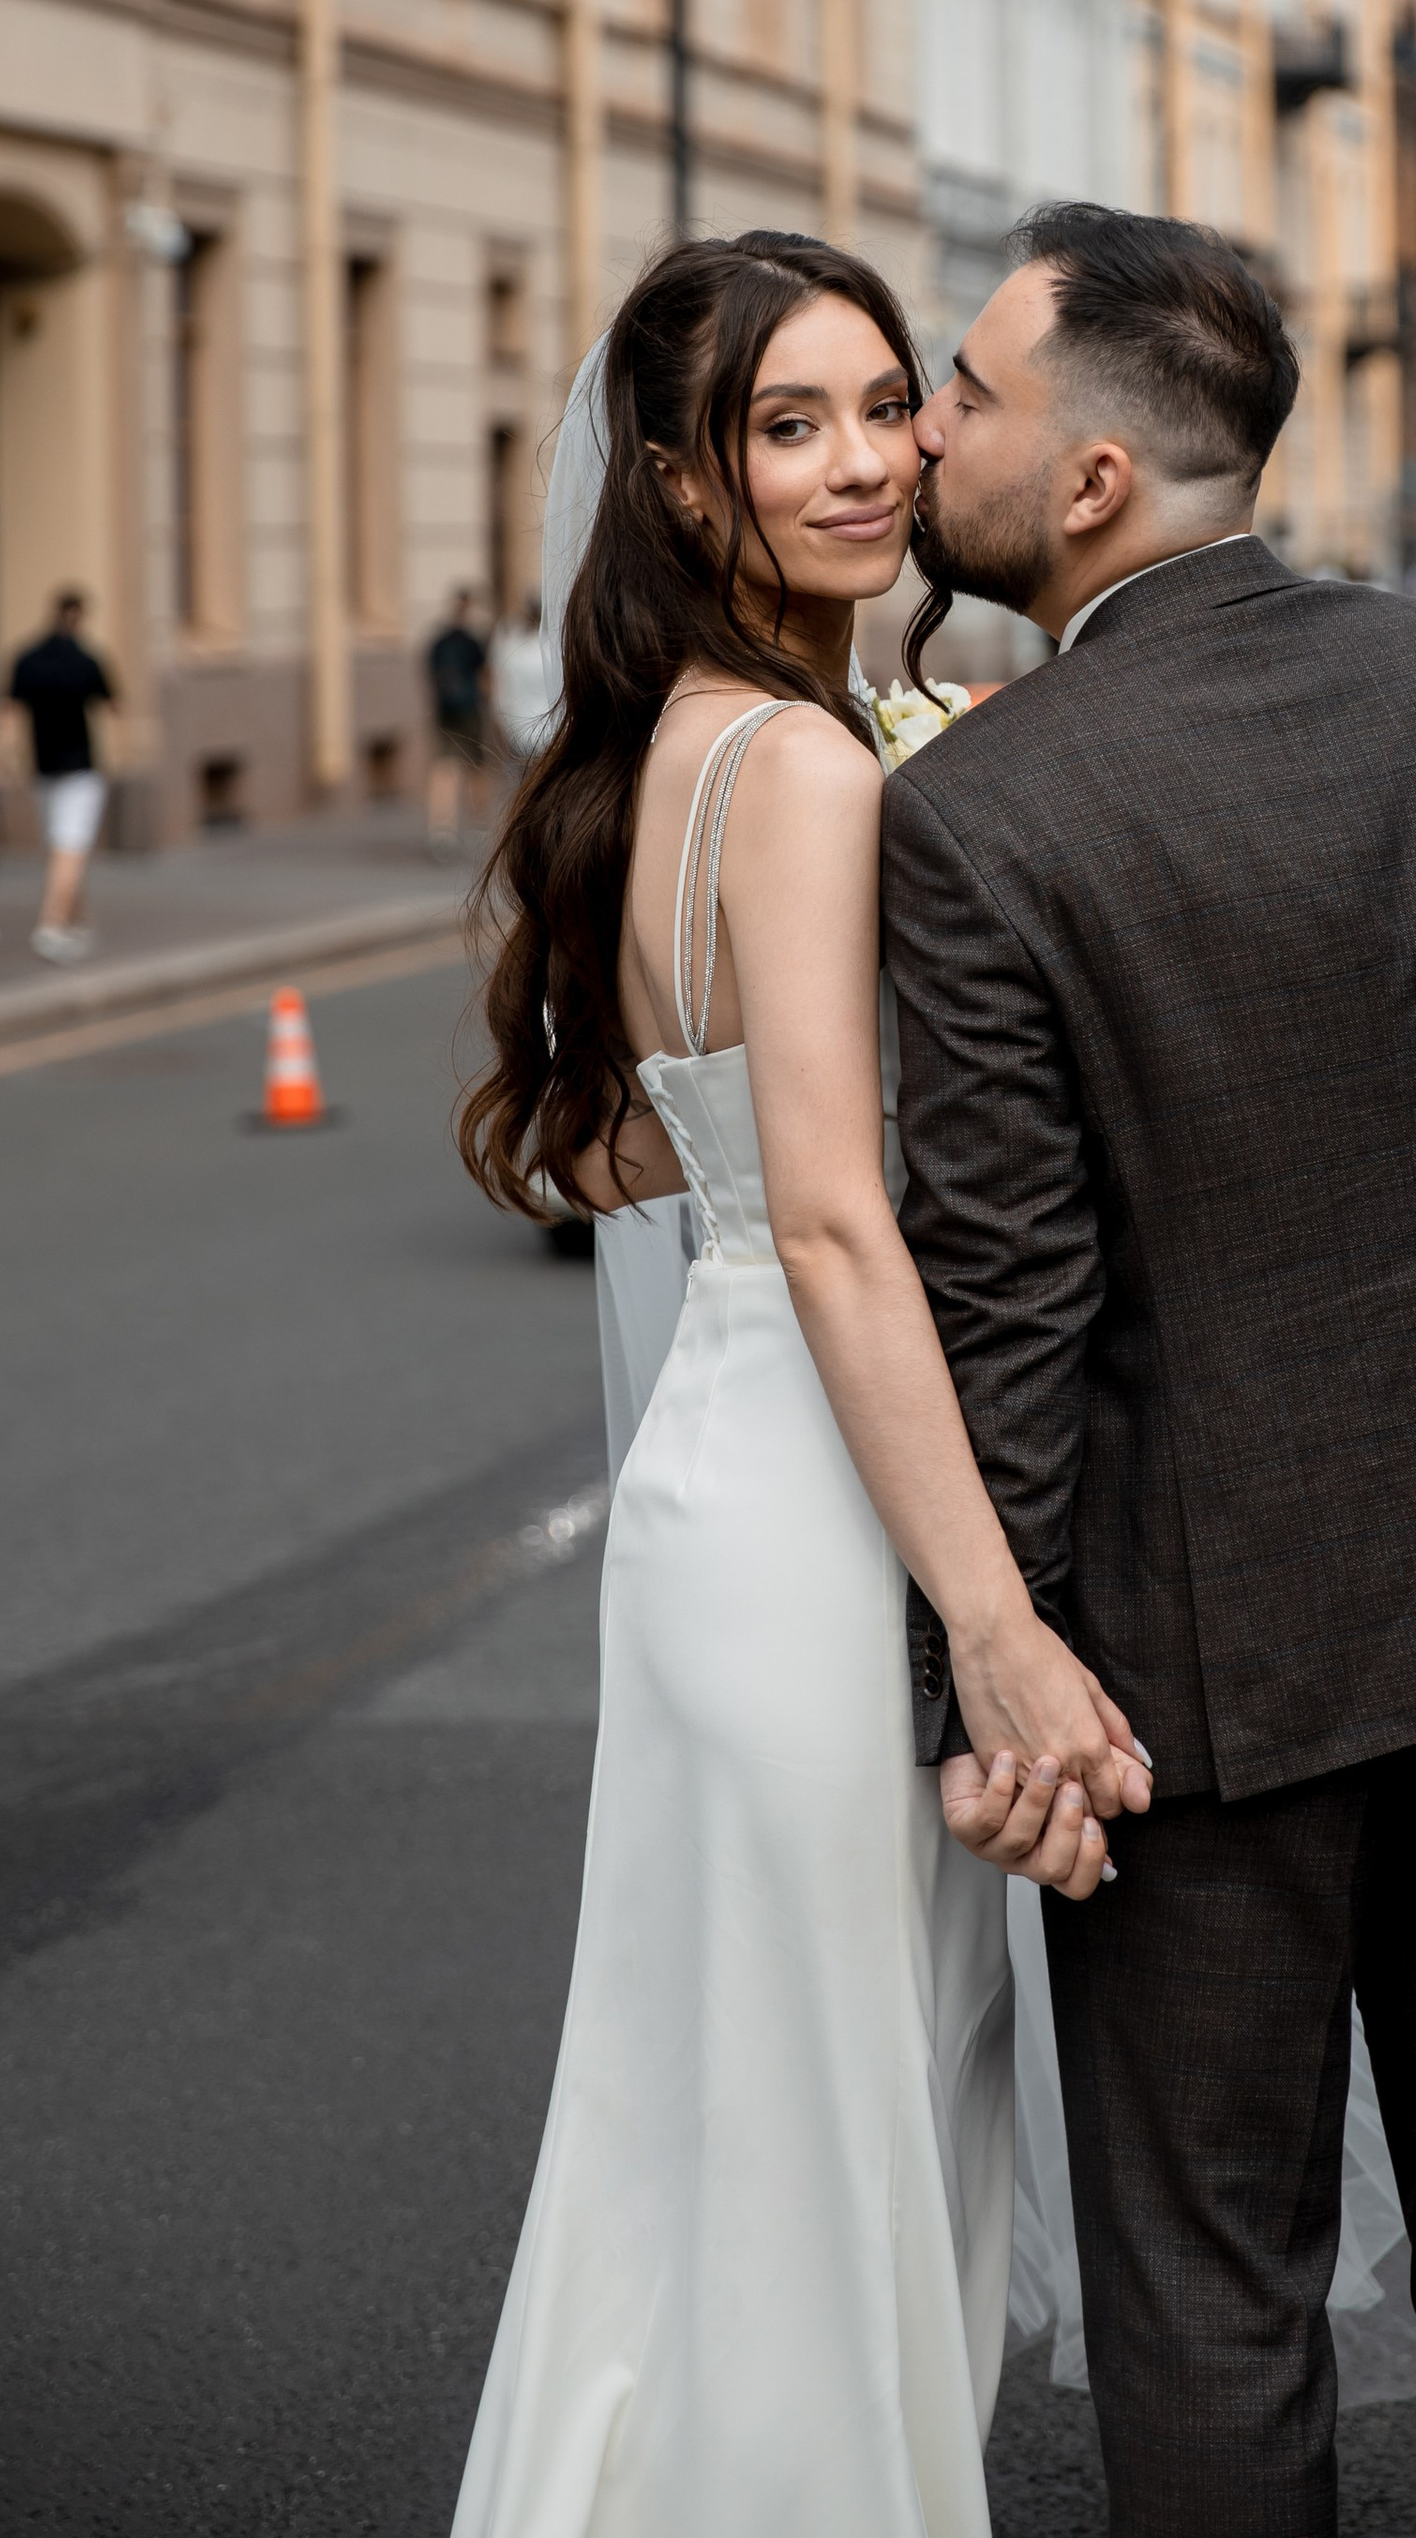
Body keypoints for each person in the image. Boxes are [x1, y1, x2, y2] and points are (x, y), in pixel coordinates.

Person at [888, 201, 1416, 2538]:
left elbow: (1010, 1306)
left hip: (1191, 1690)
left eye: (963, 388)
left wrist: (993, 1682)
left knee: (1211, 2287)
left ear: (1088, 485)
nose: (926, 428)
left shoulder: (977, 818)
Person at [449, 233, 1149, 2538]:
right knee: (842, 2127)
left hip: (708, 1493)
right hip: (829, 1513)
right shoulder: (816, 775)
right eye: (785, 424)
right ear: (676, 480)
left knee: (713, 2123)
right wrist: (998, 1625)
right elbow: (841, 1222)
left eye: (879, 403)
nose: (860, 461)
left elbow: (673, 1138)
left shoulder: (676, 750)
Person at [6, 590, 116, 965]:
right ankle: (50, 926)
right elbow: (113, 705)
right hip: (80, 770)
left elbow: (10, 711)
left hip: (43, 769)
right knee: (70, 849)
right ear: (80, 617)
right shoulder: (87, 661)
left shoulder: (28, 659)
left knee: (62, 848)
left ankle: (76, 919)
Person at [424, 588, 491, 853]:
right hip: (470, 711)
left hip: (445, 712)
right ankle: (478, 823)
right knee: (477, 766)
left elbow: (430, 677)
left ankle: (441, 827)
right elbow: (486, 678)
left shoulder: (439, 642)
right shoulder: (473, 641)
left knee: (443, 768)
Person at [485, 587, 555, 761]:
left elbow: (500, 685)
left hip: (519, 726)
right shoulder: (551, 646)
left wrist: (499, 715)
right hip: (545, 726)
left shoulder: (512, 645)